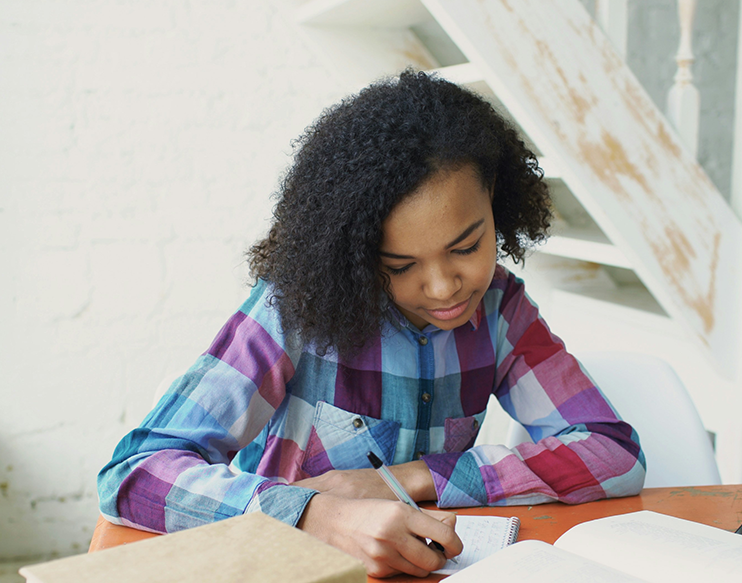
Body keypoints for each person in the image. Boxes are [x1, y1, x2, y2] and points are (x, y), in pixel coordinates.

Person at [97, 70, 645, 578]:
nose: (443, 287)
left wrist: (405, 479)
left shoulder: (500, 307)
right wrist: (317, 514)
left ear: (497, 202)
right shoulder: (296, 308)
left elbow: (614, 453)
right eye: (400, 267)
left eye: (467, 246)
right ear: (358, 251)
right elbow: (133, 473)